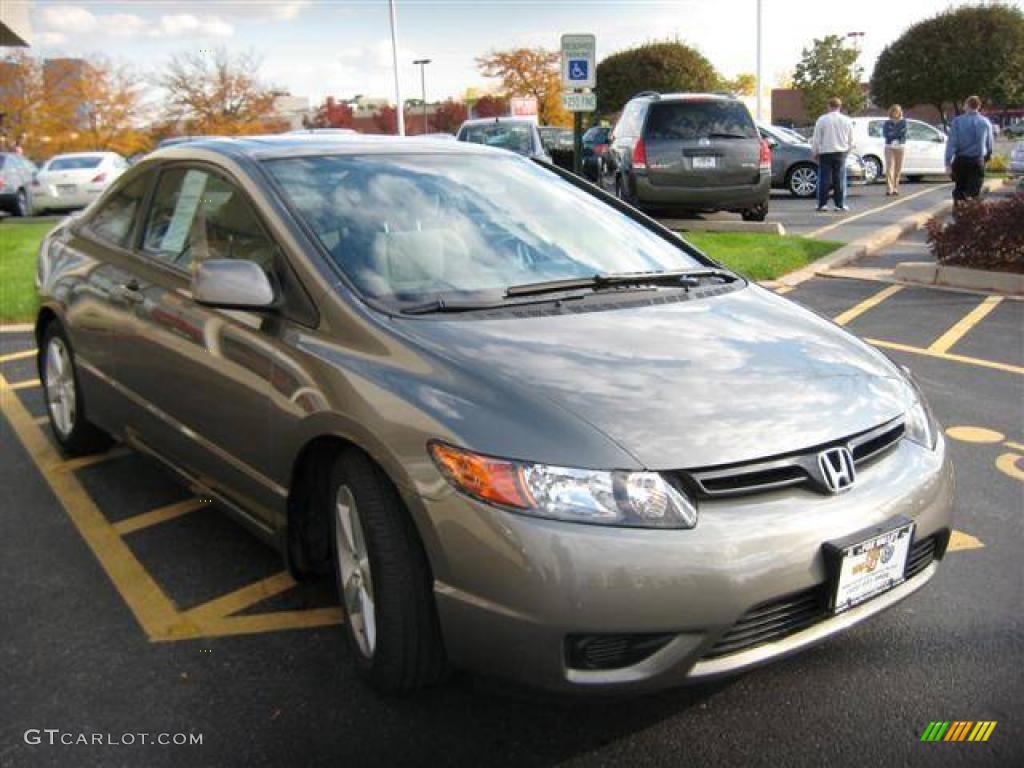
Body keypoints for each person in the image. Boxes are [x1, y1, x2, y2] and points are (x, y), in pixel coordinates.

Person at [945, 95, 994, 204]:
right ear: (979, 106)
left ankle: (958, 211)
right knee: (974, 192)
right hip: (977, 160)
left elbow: (952, 143)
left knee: (960, 189)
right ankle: (972, 210)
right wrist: (986, 158)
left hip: (961, 160)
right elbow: (990, 145)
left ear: (966, 105)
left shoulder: (957, 121)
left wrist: (947, 163)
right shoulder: (986, 122)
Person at [811, 96, 854, 212]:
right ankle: (839, 204)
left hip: (825, 152)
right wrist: (848, 151)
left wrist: (815, 151)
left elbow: (816, 138)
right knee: (839, 179)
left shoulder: (822, 119)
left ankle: (822, 204)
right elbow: (851, 139)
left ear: (829, 106)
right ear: (840, 107)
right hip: (841, 152)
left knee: (824, 178)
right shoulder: (847, 120)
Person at [883, 105, 907, 196]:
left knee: (898, 167)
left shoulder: (903, 122)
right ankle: (889, 188)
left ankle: (895, 187)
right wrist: (894, 134)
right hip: (889, 146)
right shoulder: (887, 123)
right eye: (894, 111)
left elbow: (903, 133)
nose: (895, 113)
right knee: (889, 167)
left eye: (897, 111)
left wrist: (894, 133)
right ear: (891, 112)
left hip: (900, 146)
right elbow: (886, 134)